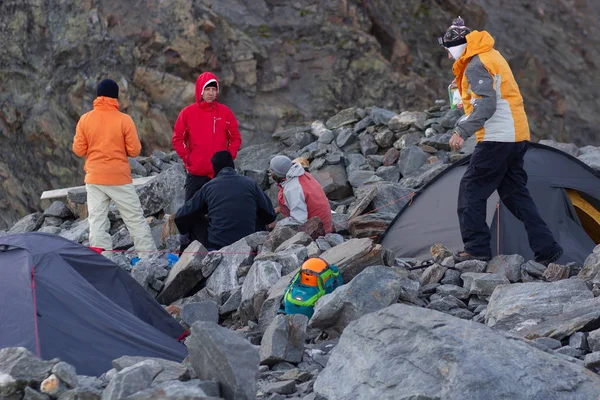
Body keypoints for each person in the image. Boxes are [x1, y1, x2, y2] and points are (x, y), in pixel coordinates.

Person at [439, 17, 563, 265]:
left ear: (458, 46)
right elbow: (493, 91)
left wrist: (461, 131)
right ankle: (547, 248)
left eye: (448, 49)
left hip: (498, 139)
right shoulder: (489, 54)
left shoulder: (476, 64)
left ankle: (476, 248)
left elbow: (486, 104)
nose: (448, 55)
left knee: (471, 190)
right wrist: (463, 83)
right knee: (516, 196)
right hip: (516, 137)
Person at [72, 79, 156, 258]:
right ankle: (148, 257)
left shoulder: (85, 119)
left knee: (97, 221)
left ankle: (103, 260)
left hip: (94, 178)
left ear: (98, 95)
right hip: (118, 178)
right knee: (134, 219)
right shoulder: (124, 120)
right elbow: (135, 150)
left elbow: (78, 150)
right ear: (116, 97)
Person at [172, 71, 242, 249]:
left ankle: (217, 246)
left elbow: (235, 137)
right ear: (200, 91)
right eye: (207, 89)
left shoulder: (225, 112)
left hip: (219, 175)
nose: (211, 93)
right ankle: (185, 248)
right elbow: (177, 139)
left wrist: (229, 156)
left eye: (214, 89)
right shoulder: (187, 113)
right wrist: (188, 158)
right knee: (189, 211)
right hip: (197, 173)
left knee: (218, 211)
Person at [174, 150, 276, 250]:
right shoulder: (250, 183)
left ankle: (186, 250)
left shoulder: (209, 187)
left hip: (217, 244)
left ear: (214, 168)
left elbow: (180, 216)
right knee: (255, 210)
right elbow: (270, 215)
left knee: (192, 218)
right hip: (247, 242)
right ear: (232, 165)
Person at [269, 155, 333, 233]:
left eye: (272, 170)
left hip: (318, 230)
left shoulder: (293, 189)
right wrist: (280, 209)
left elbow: (299, 220)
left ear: (277, 174)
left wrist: (277, 225)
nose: (270, 173)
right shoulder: (301, 173)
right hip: (324, 220)